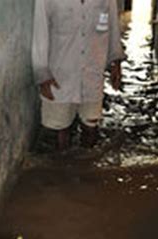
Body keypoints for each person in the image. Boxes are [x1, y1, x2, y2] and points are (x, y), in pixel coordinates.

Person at [32, 0, 125, 151]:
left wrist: (116, 62)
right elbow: (40, 32)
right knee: (59, 130)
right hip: (59, 74)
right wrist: (42, 73)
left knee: (91, 125)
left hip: (93, 71)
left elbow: (112, 26)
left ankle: (87, 169)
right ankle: (63, 169)